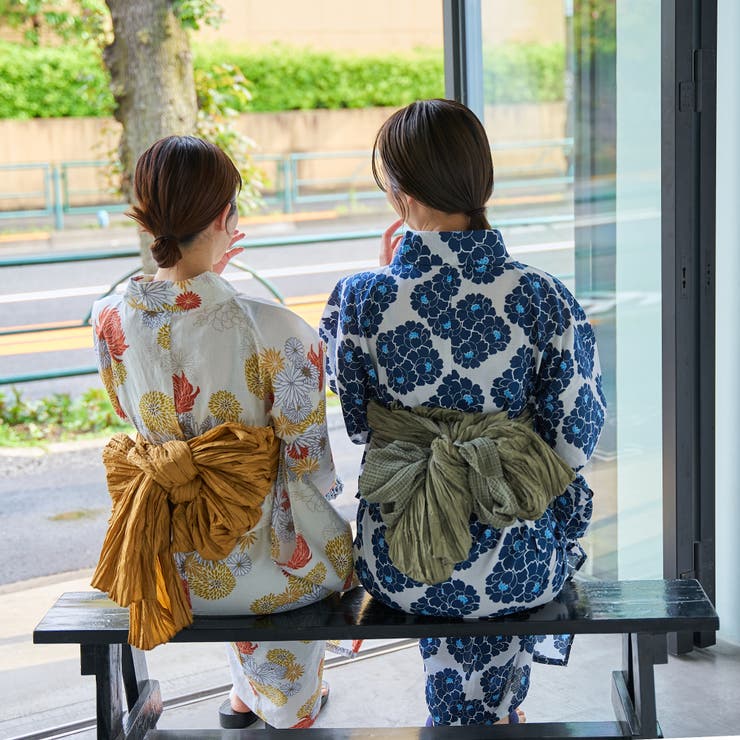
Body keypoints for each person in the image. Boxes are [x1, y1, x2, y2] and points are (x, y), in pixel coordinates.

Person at [320, 99, 606, 727]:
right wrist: (496, 458)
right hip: (516, 560)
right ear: (483, 181)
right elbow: (575, 439)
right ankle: (492, 713)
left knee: (440, 551)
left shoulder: (360, 299)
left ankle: (470, 715)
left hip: (401, 560)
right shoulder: (542, 296)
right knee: (520, 537)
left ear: (398, 192)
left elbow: (361, 425)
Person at [91, 135, 355, 730]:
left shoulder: (109, 317)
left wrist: (202, 277)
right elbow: (309, 464)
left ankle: (243, 694)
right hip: (264, 570)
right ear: (223, 218)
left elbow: (127, 410)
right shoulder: (276, 328)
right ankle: (290, 706)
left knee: (228, 520)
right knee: (309, 535)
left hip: (165, 560)